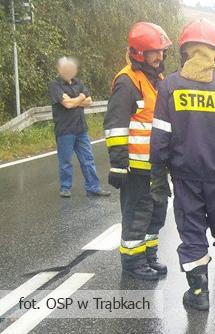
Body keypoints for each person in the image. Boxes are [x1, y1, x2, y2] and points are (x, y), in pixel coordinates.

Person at [150, 18, 215, 311]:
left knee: (193, 235)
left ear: (185, 51)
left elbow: (160, 137)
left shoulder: (169, 86)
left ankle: (198, 295)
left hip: (185, 180)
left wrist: (157, 177)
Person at [103, 22, 172, 280]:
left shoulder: (158, 79)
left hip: (156, 166)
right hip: (135, 167)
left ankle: (148, 255)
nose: (160, 56)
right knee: (137, 215)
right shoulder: (127, 82)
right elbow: (115, 126)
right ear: (139, 53)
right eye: (155, 51)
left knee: (156, 212)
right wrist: (118, 165)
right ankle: (133, 262)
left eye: (162, 51)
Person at [47, 57, 111, 198]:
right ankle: (65, 188)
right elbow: (67, 104)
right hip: (64, 130)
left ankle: (93, 187)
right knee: (65, 162)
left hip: (81, 129)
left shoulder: (78, 82)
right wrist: (80, 97)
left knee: (88, 159)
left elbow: (89, 101)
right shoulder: (55, 85)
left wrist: (73, 99)